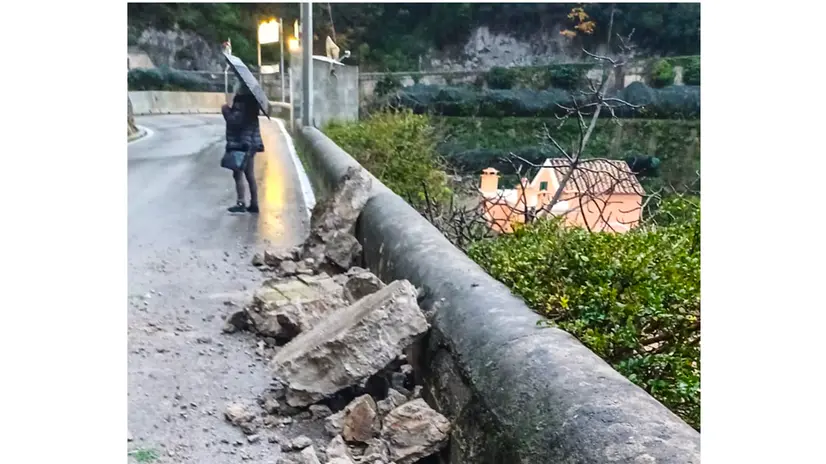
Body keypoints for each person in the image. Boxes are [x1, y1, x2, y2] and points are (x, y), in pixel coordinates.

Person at [221, 81, 265, 213]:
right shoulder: (253, 103)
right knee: (249, 175)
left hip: (241, 143)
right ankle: (254, 203)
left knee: (238, 173)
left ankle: (241, 203)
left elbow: (235, 121)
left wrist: (226, 110)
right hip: (251, 143)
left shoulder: (241, 102)